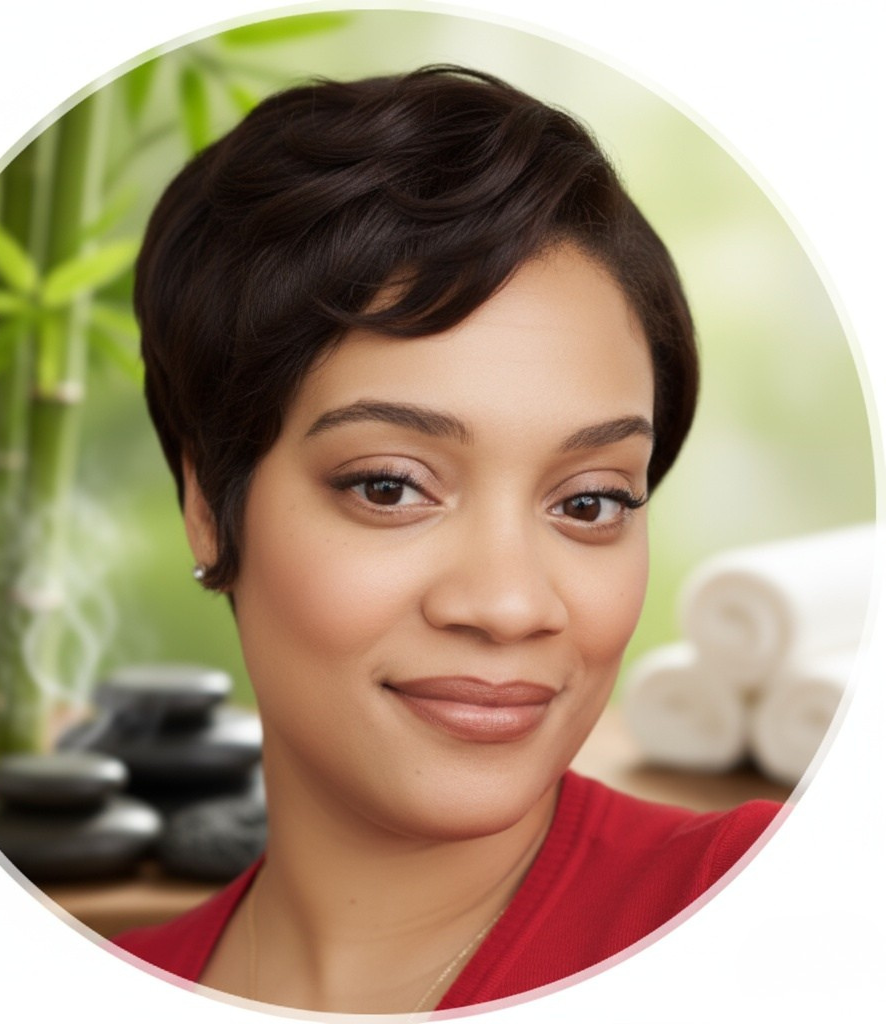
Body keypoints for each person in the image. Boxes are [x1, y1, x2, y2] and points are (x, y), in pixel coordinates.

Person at [113, 65, 781, 1014]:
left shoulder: (773, 907)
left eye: (589, 502)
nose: (509, 605)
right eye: (390, 487)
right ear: (208, 505)